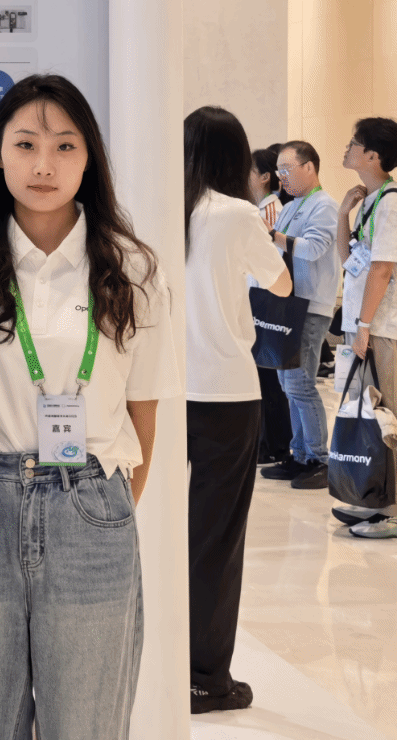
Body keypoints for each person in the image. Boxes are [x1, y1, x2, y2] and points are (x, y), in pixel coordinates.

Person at [0, 74, 177, 737]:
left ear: (88, 158)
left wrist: (95, 506)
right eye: (26, 144)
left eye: (64, 146)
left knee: (87, 724)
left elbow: (143, 414)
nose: (43, 166)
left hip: (91, 508)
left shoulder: (133, 269)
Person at [183, 106, 293, 713]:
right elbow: (280, 284)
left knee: (153, 527)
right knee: (216, 539)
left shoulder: (160, 207)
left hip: (162, 392)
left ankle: (156, 658)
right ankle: (204, 677)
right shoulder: (237, 213)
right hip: (226, 391)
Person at [256, 141, 338, 490]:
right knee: (287, 384)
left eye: (287, 169)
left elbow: (314, 248)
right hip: (287, 306)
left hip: (311, 306)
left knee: (301, 383)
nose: (282, 177)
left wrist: (273, 236)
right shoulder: (291, 206)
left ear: (309, 167)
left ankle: (318, 458)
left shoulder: (325, 205)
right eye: (279, 171)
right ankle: (300, 453)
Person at [331, 117, 397, 538]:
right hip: (363, 324)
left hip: (382, 326)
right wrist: (343, 213)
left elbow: (382, 269)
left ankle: (390, 510)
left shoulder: (391, 202)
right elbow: (349, 260)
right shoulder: (371, 201)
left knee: (386, 415)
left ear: (373, 155)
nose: (347, 148)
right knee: (369, 413)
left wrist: (366, 325)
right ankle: (373, 498)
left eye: (354, 143)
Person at [249, 146, 294, 467]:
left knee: (270, 379)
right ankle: (270, 442)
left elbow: (274, 259)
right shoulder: (260, 209)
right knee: (265, 377)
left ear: (265, 177)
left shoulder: (271, 211)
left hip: (269, 300)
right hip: (260, 298)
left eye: (249, 170)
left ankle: (276, 444)